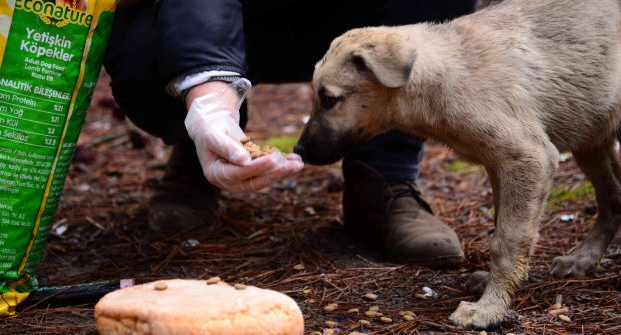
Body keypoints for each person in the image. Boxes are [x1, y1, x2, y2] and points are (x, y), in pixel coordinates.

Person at [104, 0, 478, 267]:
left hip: (343, 15)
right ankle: (199, 148)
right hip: (212, 19)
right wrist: (210, 103)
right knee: (143, 42)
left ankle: (384, 176)